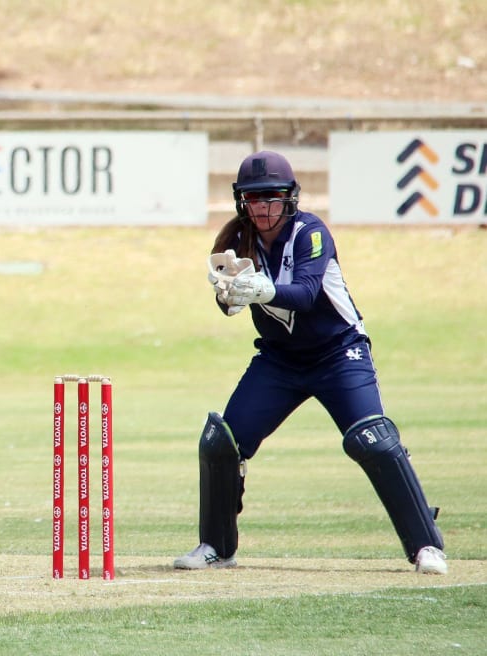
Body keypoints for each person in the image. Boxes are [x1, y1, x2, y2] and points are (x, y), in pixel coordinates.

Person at [174, 151, 447, 574]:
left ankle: (426, 547)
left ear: (290, 198)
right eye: (253, 199)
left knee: (372, 438)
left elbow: (304, 293)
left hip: (339, 352)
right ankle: (215, 545)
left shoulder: (311, 232)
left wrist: (259, 289)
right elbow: (229, 302)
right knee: (221, 442)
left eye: (271, 198)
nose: (262, 209)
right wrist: (227, 294)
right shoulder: (236, 239)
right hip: (280, 360)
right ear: (240, 201)